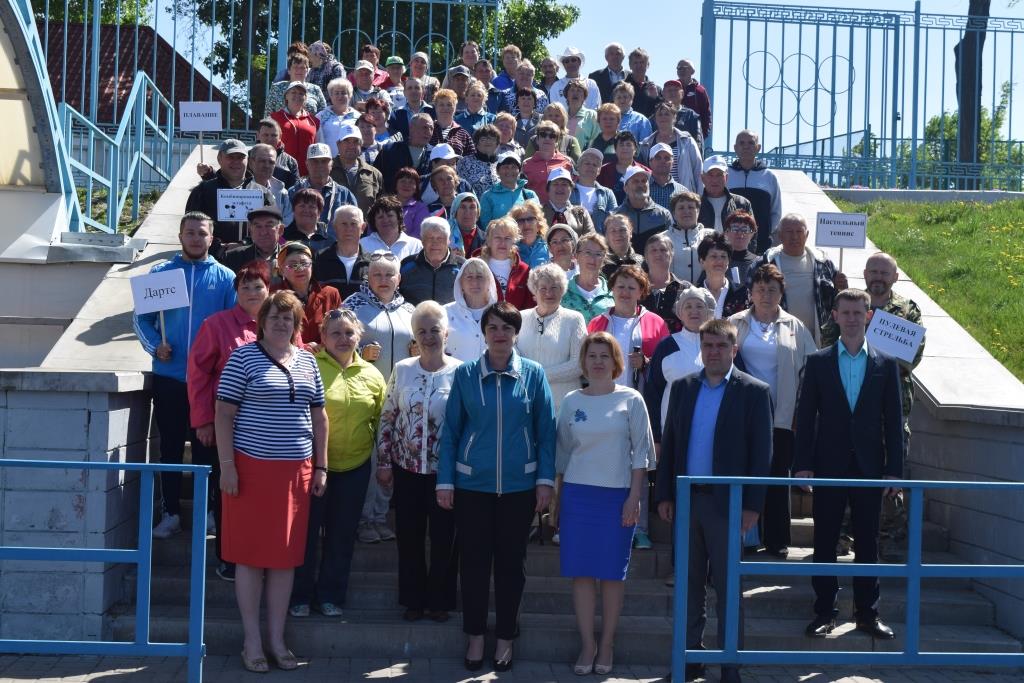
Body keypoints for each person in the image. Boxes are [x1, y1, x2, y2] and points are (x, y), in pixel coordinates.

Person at [436, 302, 556, 673]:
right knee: (472, 565)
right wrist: (445, 480)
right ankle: (474, 635)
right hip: (473, 485)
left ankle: (505, 637)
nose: (500, 334)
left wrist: (544, 481)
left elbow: (546, 432)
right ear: (483, 333)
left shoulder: (533, 375)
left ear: (516, 333)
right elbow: (452, 431)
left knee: (510, 567)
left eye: (507, 327)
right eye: (493, 327)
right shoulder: (467, 374)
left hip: (520, 487)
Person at [214, 290, 328, 674]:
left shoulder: (309, 363)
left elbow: (320, 418)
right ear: (262, 321)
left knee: (284, 560)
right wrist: (227, 465)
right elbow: (224, 414)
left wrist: (322, 466)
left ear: (298, 326)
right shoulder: (242, 358)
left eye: (289, 318)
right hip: (250, 471)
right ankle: (252, 641)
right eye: (275, 316)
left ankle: (277, 641)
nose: (282, 323)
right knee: (250, 558)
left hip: (296, 473)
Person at [654, 318, 772, 683]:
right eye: (708, 346)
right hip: (688, 501)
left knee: (728, 587)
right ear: (701, 349)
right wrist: (665, 494)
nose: (714, 352)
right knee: (689, 586)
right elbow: (671, 444)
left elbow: (761, 454)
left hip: (729, 505)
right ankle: (689, 657)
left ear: (734, 350)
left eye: (721, 346)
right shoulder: (684, 387)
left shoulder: (754, 391)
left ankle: (730, 663)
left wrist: (752, 505)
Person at [794, 289, 904, 642]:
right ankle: (824, 611)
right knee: (825, 539)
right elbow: (806, 415)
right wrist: (803, 464)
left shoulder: (886, 364)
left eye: (859, 312)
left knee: (868, 542)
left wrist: (894, 470)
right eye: (846, 312)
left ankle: (867, 613)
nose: (853, 318)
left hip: (870, 468)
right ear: (836, 316)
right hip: (828, 465)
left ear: (869, 316)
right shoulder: (819, 361)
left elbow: (893, 420)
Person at [555, 332, 653, 676]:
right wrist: (556, 501)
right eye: (592, 355)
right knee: (581, 574)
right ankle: (587, 643)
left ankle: (607, 641)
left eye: (605, 356)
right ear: (583, 362)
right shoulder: (570, 401)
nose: (598, 361)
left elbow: (641, 454)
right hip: (578, 496)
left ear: (616, 362)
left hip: (617, 497)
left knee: (612, 575)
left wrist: (634, 498)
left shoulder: (632, 399)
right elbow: (563, 455)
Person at [134, 212, 236, 539]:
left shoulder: (225, 277)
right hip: (171, 377)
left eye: (202, 233)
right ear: (180, 236)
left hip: (208, 381)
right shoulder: (161, 273)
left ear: (212, 237)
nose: (195, 238)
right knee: (171, 447)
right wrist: (155, 346)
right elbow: (141, 320)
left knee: (209, 449)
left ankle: (209, 512)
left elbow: (234, 325)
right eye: (190, 232)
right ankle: (171, 512)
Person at [290, 308, 387, 618]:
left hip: (355, 468)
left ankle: (331, 595)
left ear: (358, 336)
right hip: (312, 467)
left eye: (349, 333)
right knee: (305, 536)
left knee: (342, 535)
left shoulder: (372, 374)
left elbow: (381, 421)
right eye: (335, 333)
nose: (343, 339)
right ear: (322, 338)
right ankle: (299, 596)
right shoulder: (308, 365)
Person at [188, 259, 274, 581]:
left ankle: (261, 555)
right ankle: (227, 556)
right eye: (245, 286)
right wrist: (203, 421)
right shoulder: (217, 324)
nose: (252, 292)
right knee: (230, 494)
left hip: (268, 433)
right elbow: (197, 375)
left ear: (269, 289)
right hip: (228, 428)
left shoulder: (278, 324)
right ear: (235, 291)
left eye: (258, 286)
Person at [376, 301, 462, 622]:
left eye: (434, 330)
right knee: (409, 536)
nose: (429, 337)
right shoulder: (403, 369)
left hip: (445, 471)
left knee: (445, 538)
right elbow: (388, 417)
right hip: (407, 467)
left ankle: (439, 600)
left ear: (446, 333)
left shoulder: (461, 371)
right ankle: (413, 599)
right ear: (414, 336)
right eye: (421, 331)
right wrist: (384, 462)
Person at [730, 265, 817, 558]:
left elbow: (812, 371)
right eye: (760, 289)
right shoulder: (735, 323)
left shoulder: (795, 326)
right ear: (751, 292)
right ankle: (747, 537)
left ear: (782, 293)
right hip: (742, 415)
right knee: (745, 475)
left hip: (782, 414)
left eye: (772, 290)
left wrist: (801, 412)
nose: (766, 295)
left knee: (778, 477)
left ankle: (778, 539)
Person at [750, 212, 847, 345]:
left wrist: (842, 287)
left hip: (817, 340)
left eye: (799, 231)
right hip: (776, 339)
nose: (794, 236)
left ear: (807, 235)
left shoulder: (823, 263)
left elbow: (837, 301)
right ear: (780, 235)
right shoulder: (764, 264)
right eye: (789, 231)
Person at [644, 286, 715, 448]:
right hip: (673, 433)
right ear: (680, 313)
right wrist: (656, 437)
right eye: (688, 306)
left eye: (699, 306)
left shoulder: (720, 344)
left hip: (713, 433)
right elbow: (653, 393)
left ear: (709, 310)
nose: (693, 311)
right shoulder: (666, 346)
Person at [586, 264, 669, 393]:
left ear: (640, 291)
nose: (625, 292)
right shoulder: (596, 323)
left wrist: (646, 363)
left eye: (631, 288)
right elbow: (585, 363)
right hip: (603, 397)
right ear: (612, 288)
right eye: (620, 287)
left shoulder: (657, 323)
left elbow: (668, 363)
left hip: (642, 398)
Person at [516, 263, 588, 409]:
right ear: (534, 292)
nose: (549, 293)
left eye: (554, 287)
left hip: (564, 404)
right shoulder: (520, 318)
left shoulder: (574, 319)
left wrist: (538, 375)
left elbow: (578, 364)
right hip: (526, 401)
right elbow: (512, 354)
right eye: (543, 288)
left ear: (562, 290)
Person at [342, 250, 415, 380]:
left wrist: (419, 353)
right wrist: (360, 354)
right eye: (377, 275)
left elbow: (427, 349)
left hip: (403, 390)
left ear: (398, 279)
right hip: (364, 389)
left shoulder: (410, 311)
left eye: (389, 275)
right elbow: (334, 345)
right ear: (368, 278)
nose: (383, 280)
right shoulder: (351, 306)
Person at [186, 140, 274, 248]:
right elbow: (189, 229)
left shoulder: (263, 193)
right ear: (219, 159)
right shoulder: (202, 191)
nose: (236, 161)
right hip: (212, 259)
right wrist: (220, 247)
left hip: (254, 260)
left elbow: (274, 230)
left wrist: (244, 244)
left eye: (240, 157)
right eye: (230, 157)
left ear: (248, 161)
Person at [274, 242, 341, 347]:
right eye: (292, 265)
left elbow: (340, 330)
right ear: (282, 270)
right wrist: (302, 348)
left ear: (311, 266)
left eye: (304, 263)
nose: (299, 268)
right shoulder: (273, 296)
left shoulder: (330, 294)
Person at [727, 130, 782, 254]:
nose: (746, 146)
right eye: (741, 143)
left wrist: (765, 232)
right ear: (735, 148)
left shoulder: (769, 176)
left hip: (761, 243)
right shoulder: (726, 175)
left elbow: (776, 211)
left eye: (751, 143)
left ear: (758, 148)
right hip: (730, 243)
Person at [283, 143, 357, 231]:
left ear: (331, 164)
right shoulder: (293, 192)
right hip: (301, 243)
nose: (320, 165)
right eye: (315, 161)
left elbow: (355, 225)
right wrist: (286, 244)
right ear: (307, 164)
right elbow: (282, 228)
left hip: (335, 244)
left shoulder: (345, 194)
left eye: (324, 161)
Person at [399, 216, 465, 305]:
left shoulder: (463, 267)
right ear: (422, 240)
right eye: (430, 238)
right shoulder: (406, 265)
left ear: (448, 240)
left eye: (440, 238)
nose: (435, 243)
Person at [640, 103, 703, 194]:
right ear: (655, 118)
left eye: (667, 114)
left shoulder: (687, 141)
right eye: (660, 114)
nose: (663, 117)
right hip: (654, 194)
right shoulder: (646, 144)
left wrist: (699, 197)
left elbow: (698, 171)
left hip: (683, 197)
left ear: (674, 117)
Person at [444, 257, 499, 362]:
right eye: (469, 277)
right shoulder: (445, 313)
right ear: (461, 283)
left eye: (479, 277)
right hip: (455, 377)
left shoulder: (501, 314)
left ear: (489, 282)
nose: (474, 282)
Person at [313, 206, 371, 299]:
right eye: (344, 224)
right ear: (335, 226)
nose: (348, 229)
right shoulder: (319, 259)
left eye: (353, 223)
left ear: (363, 227)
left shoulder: (372, 263)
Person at [480, 216, 535, 310]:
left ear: (514, 241)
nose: (502, 242)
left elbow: (530, 306)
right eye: (497, 238)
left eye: (507, 238)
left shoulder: (524, 270)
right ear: (488, 241)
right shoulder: (477, 266)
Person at [614, 166, 672, 254]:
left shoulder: (664, 215)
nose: (640, 185)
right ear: (625, 188)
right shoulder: (614, 216)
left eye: (644, 181)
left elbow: (670, 247)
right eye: (636, 181)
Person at [328, 124, 383, 216]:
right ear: (338, 144)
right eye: (346, 141)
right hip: (333, 228)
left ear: (361, 144)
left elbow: (381, 207)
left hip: (365, 228)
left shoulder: (374, 174)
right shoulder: (327, 170)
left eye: (355, 141)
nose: (351, 146)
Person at [270, 81, 320, 178]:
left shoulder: (314, 121)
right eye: (293, 92)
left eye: (301, 93)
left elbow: (319, 145)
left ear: (305, 98)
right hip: (280, 172)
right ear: (286, 96)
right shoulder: (274, 118)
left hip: (307, 174)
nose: (297, 96)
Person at [642, 232, 690, 333]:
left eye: (663, 250)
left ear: (672, 254)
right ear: (645, 257)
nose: (658, 254)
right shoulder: (635, 287)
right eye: (653, 250)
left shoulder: (686, 289)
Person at [562, 233, 615, 323]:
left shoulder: (612, 292)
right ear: (576, 256)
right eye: (588, 252)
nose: (592, 258)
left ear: (604, 258)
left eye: (598, 254)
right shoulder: (562, 291)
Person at [375, 113, 435, 192]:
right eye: (425, 127)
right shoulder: (389, 150)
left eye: (431, 128)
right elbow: (376, 178)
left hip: (421, 203)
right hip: (392, 201)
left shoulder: (434, 155)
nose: (428, 132)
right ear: (411, 128)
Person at [219, 206, 284, 279]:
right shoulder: (232, 257)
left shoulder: (292, 255)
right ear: (251, 231)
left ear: (280, 230)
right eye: (258, 226)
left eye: (269, 226)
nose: (263, 232)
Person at [664, 190, 713, 284]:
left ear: (698, 211)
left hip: (706, 293)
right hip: (672, 294)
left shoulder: (711, 236)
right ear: (674, 213)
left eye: (691, 207)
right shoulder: (662, 239)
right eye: (681, 208)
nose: (686, 211)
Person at [697, 233, 749, 319]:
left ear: (728, 261)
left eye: (723, 256)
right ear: (702, 261)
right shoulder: (693, 294)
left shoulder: (741, 293)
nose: (719, 261)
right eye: (714, 256)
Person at [521, 121, 574, 206]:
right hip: (535, 212)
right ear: (537, 139)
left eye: (552, 136)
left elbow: (573, 189)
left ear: (557, 141)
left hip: (560, 212)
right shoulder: (526, 163)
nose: (547, 138)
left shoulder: (567, 162)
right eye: (543, 135)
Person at [480, 152, 538, 227]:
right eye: (505, 167)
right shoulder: (487, 196)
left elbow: (538, 222)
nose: (509, 170)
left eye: (513, 167)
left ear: (519, 171)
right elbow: (486, 227)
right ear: (497, 171)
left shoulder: (530, 195)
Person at [698, 155, 753, 235]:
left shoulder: (742, 203)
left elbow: (752, 233)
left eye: (719, 175)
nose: (715, 180)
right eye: (710, 175)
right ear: (702, 178)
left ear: (726, 177)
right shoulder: (694, 204)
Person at [360, 195, 424, 261]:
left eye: (390, 215)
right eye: (380, 217)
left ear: (399, 218)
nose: (385, 220)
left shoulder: (416, 245)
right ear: (374, 221)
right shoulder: (363, 244)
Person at [571, 148, 618, 233]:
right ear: (578, 167)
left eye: (595, 165)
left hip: (600, 242)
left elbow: (614, 220)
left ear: (599, 170)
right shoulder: (568, 190)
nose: (591, 167)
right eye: (587, 163)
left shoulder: (607, 194)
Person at [543, 167, 594, 238]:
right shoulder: (539, 212)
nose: (560, 188)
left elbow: (591, 239)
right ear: (548, 188)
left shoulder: (581, 213)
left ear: (571, 188)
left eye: (564, 184)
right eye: (555, 184)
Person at [597, 130, 646, 201]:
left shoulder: (645, 172)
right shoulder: (603, 171)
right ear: (615, 149)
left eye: (628, 145)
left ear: (635, 149)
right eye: (621, 145)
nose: (624, 148)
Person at [659, 79, 705, 151]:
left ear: (682, 94)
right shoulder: (657, 115)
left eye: (676, 90)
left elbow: (698, 143)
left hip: (684, 158)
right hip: (660, 159)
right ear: (663, 94)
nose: (672, 93)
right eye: (669, 90)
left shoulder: (692, 116)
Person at [455, 124, 500, 196]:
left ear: (497, 143)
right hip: (475, 205)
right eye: (483, 139)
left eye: (492, 138)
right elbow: (461, 188)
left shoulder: (504, 162)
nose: (488, 141)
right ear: (476, 143)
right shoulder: (465, 162)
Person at [316, 79, 358, 156]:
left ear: (349, 95)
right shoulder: (320, 116)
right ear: (331, 96)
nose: (340, 96)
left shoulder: (357, 117)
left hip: (351, 160)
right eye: (336, 93)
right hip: (328, 162)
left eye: (343, 93)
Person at [387, 77, 436, 141]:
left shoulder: (433, 111)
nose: (413, 91)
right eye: (410, 88)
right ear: (404, 92)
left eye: (417, 88)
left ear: (423, 91)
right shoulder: (395, 115)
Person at [430, 89, 475, 156]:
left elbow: (471, 159)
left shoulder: (463, 134)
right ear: (435, 107)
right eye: (441, 104)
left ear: (455, 107)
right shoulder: (428, 129)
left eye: (449, 105)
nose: (445, 108)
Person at [257, 118, 300, 189]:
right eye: (265, 135)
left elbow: (294, 191)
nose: (269, 139)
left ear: (280, 136)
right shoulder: (248, 158)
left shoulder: (290, 162)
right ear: (258, 135)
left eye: (273, 135)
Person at [646, 143, 688, 212]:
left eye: (667, 158)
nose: (662, 161)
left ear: (673, 162)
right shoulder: (641, 189)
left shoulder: (683, 192)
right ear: (650, 162)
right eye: (658, 158)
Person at [677, 58, 712, 140]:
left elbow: (706, 114)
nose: (681, 70)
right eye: (679, 68)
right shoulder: (672, 88)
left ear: (692, 71)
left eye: (684, 68)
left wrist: (703, 135)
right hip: (674, 136)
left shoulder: (700, 90)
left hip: (694, 135)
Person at [246, 143, 288, 211]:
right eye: (262, 161)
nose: (267, 166)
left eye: (271, 162)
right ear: (251, 163)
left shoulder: (282, 193)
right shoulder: (241, 191)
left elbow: (287, 220)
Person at [509, 201, 551, 268]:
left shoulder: (550, 248)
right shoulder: (510, 251)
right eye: (521, 220)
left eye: (530, 219)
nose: (526, 224)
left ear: (539, 223)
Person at [601, 213, 644, 279]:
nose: (618, 234)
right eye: (613, 231)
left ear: (631, 233)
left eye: (622, 230)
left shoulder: (642, 262)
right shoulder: (600, 263)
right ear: (606, 235)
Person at [393, 167, 430, 238]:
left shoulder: (421, 208)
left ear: (416, 188)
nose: (406, 185)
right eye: (403, 181)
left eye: (411, 182)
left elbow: (419, 234)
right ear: (395, 185)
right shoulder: (383, 205)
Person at [724, 210, 760, 285]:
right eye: (735, 229)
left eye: (745, 229)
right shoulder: (719, 260)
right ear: (726, 232)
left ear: (752, 234)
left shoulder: (759, 263)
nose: (740, 233)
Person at [624, 48, 660, 117]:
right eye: (635, 63)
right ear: (630, 65)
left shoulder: (656, 89)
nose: (639, 66)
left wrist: (656, 98)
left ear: (648, 65)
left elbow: (663, 113)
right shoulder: (620, 87)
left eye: (642, 62)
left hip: (649, 127)